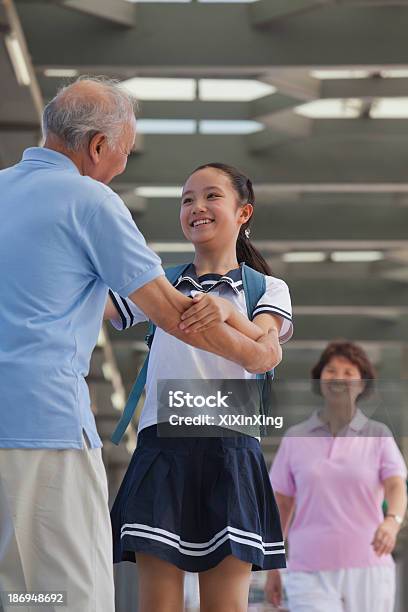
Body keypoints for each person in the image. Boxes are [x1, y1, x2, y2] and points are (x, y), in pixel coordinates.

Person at [0, 79, 271, 612]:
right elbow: (171, 313)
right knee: (73, 593)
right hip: (44, 424)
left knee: (17, 586)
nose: (121, 167)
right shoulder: (89, 199)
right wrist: (260, 353)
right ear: (98, 146)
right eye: (122, 153)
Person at [106, 162, 294, 612]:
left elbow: (264, 354)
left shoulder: (266, 288)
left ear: (243, 212)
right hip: (162, 448)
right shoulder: (159, 283)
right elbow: (96, 305)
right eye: (187, 199)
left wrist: (228, 315)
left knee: (224, 608)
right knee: (158, 606)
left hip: (231, 451)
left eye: (211, 196)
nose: (197, 207)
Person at [266, 341, 407, 612]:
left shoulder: (379, 435)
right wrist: (273, 564)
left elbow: (396, 485)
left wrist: (392, 521)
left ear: (362, 383)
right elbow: (281, 505)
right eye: (331, 371)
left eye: (348, 372)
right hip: (307, 566)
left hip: (368, 563)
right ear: (319, 380)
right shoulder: (295, 438)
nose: (338, 378)